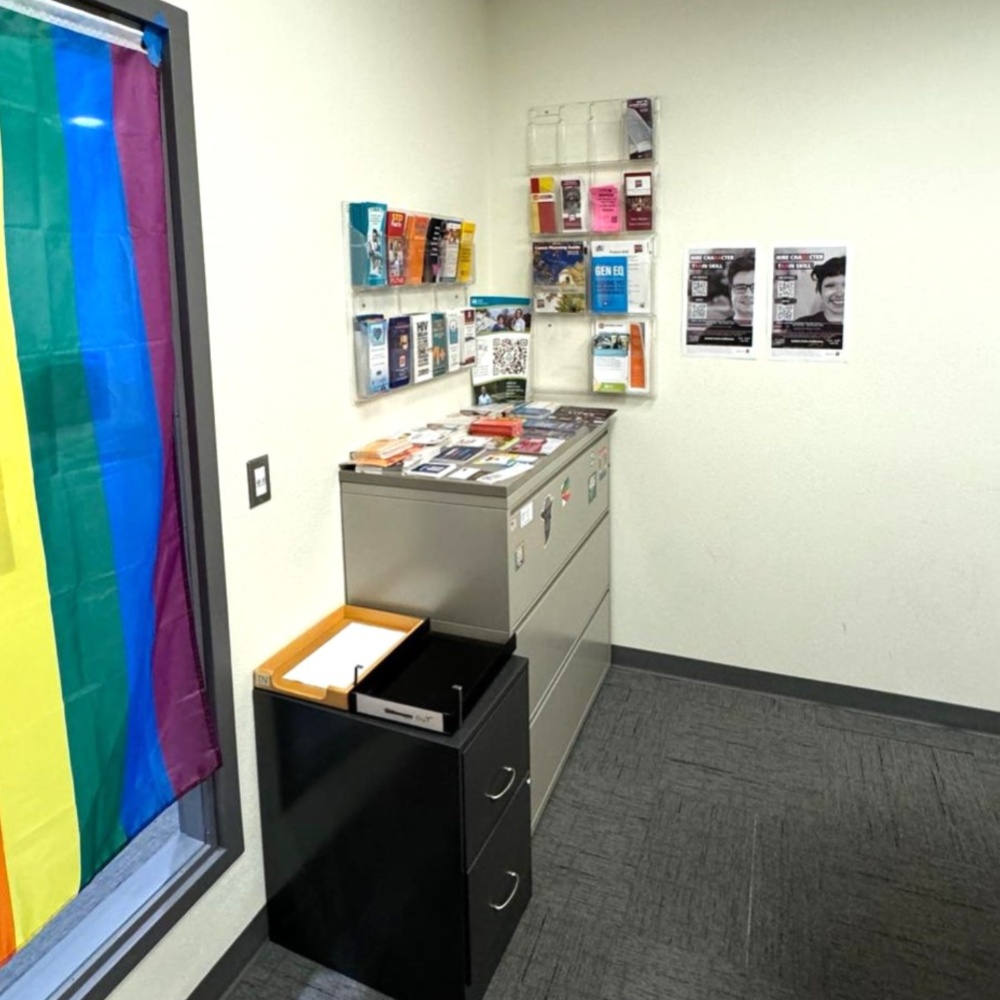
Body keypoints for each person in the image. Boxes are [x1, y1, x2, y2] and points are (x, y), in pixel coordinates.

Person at [695, 254, 754, 345]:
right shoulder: (711, 335)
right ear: (731, 291)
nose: (748, 294)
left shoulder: (778, 333)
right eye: (740, 287)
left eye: (754, 287)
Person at [789, 255, 845, 346]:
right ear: (820, 291)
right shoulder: (800, 327)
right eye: (830, 286)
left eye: (845, 285)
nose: (839, 293)